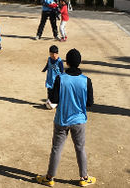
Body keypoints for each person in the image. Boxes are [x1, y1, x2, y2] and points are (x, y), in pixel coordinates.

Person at [36, 49, 95, 187]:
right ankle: (84, 177)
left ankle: (50, 177)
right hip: (79, 120)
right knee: (80, 148)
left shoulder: (60, 78)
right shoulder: (87, 81)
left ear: (66, 62)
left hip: (62, 120)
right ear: (79, 62)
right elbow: (90, 103)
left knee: (56, 148)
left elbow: (54, 99)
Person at [41, 45, 64, 109]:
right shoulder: (49, 59)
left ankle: (58, 103)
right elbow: (47, 65)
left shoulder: (59, 61)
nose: (53, 56)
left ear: (57, 54)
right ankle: (48, 102)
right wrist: (44, 69)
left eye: (55, 54)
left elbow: (62, 70)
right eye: (51, 54)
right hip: (50, 78)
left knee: (56, 92)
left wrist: (62, 77)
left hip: (56, 79)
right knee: (49, 91)